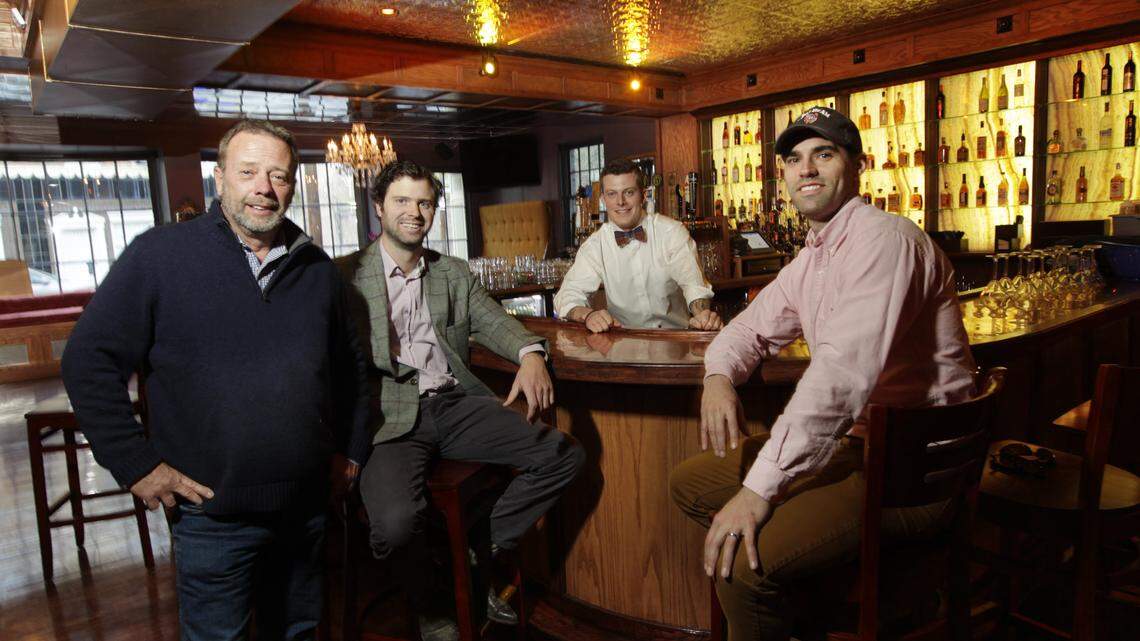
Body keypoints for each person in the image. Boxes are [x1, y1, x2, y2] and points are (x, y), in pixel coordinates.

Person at [668, 106, 977, 641]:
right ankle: (802, 596)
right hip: (860, 446)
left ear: (854, 165)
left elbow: (840, 376)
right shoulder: (813, 258)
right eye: (794, 159)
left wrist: (761, 491)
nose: (805, 169)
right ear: (784, 175)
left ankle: (782, 588)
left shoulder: (885, 240)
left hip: (916, 468)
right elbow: (747, 331)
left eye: (823, 154)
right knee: (690, 485)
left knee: (745, 569)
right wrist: (717, 376)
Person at [61, 119, 370, 640]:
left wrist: (353, 452)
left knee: (298, 632)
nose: (264, 189)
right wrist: (137, 465)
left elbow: (352, 373)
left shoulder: (318, 270)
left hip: (305, 509)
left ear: (293, 185)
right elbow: (87, 360)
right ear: (219, 178)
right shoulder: (159, 256)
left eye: (279, 176)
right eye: (248, 172)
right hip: (212, 517)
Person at [339, 160, 585, 641]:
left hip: (452, 404)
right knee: (393, 527)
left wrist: (531, 353)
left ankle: (477, 550)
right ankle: (432, 605)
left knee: (564, 455)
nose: (415, 212)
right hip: (386, 417)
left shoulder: (452, 272)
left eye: (424, 202)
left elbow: (493, 321)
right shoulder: (344, 276)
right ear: (379, 209)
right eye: (402, 201)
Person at [553, 159, 722, 332]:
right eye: (612, 194)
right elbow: (568, 295)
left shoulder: (671, 232)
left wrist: (702, 316)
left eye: (628, 192)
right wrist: (588, 315)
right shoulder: (596, 245)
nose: (620, 202)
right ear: (603, 199)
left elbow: (693, 285)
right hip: (624, 344)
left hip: (675, 341)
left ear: (643, 194)